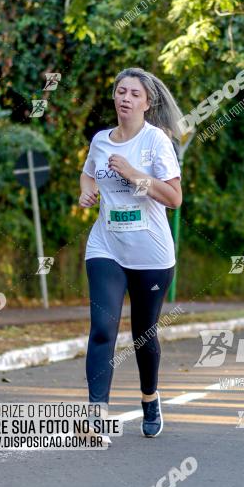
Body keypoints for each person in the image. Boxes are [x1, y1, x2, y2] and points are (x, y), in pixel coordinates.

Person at [79, 67, 183, 439]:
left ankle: (150, 398)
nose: (125, 98)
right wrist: (86, 190)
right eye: (121, 91)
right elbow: (88, 172)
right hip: (106, 245)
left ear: (147, 102)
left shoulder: (157, 143)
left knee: (144, 334)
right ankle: (96, 414)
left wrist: (133, 174)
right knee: (103, 329)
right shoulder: (101, 141)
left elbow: (174, 198)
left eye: (134, 94)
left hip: (151, 255)